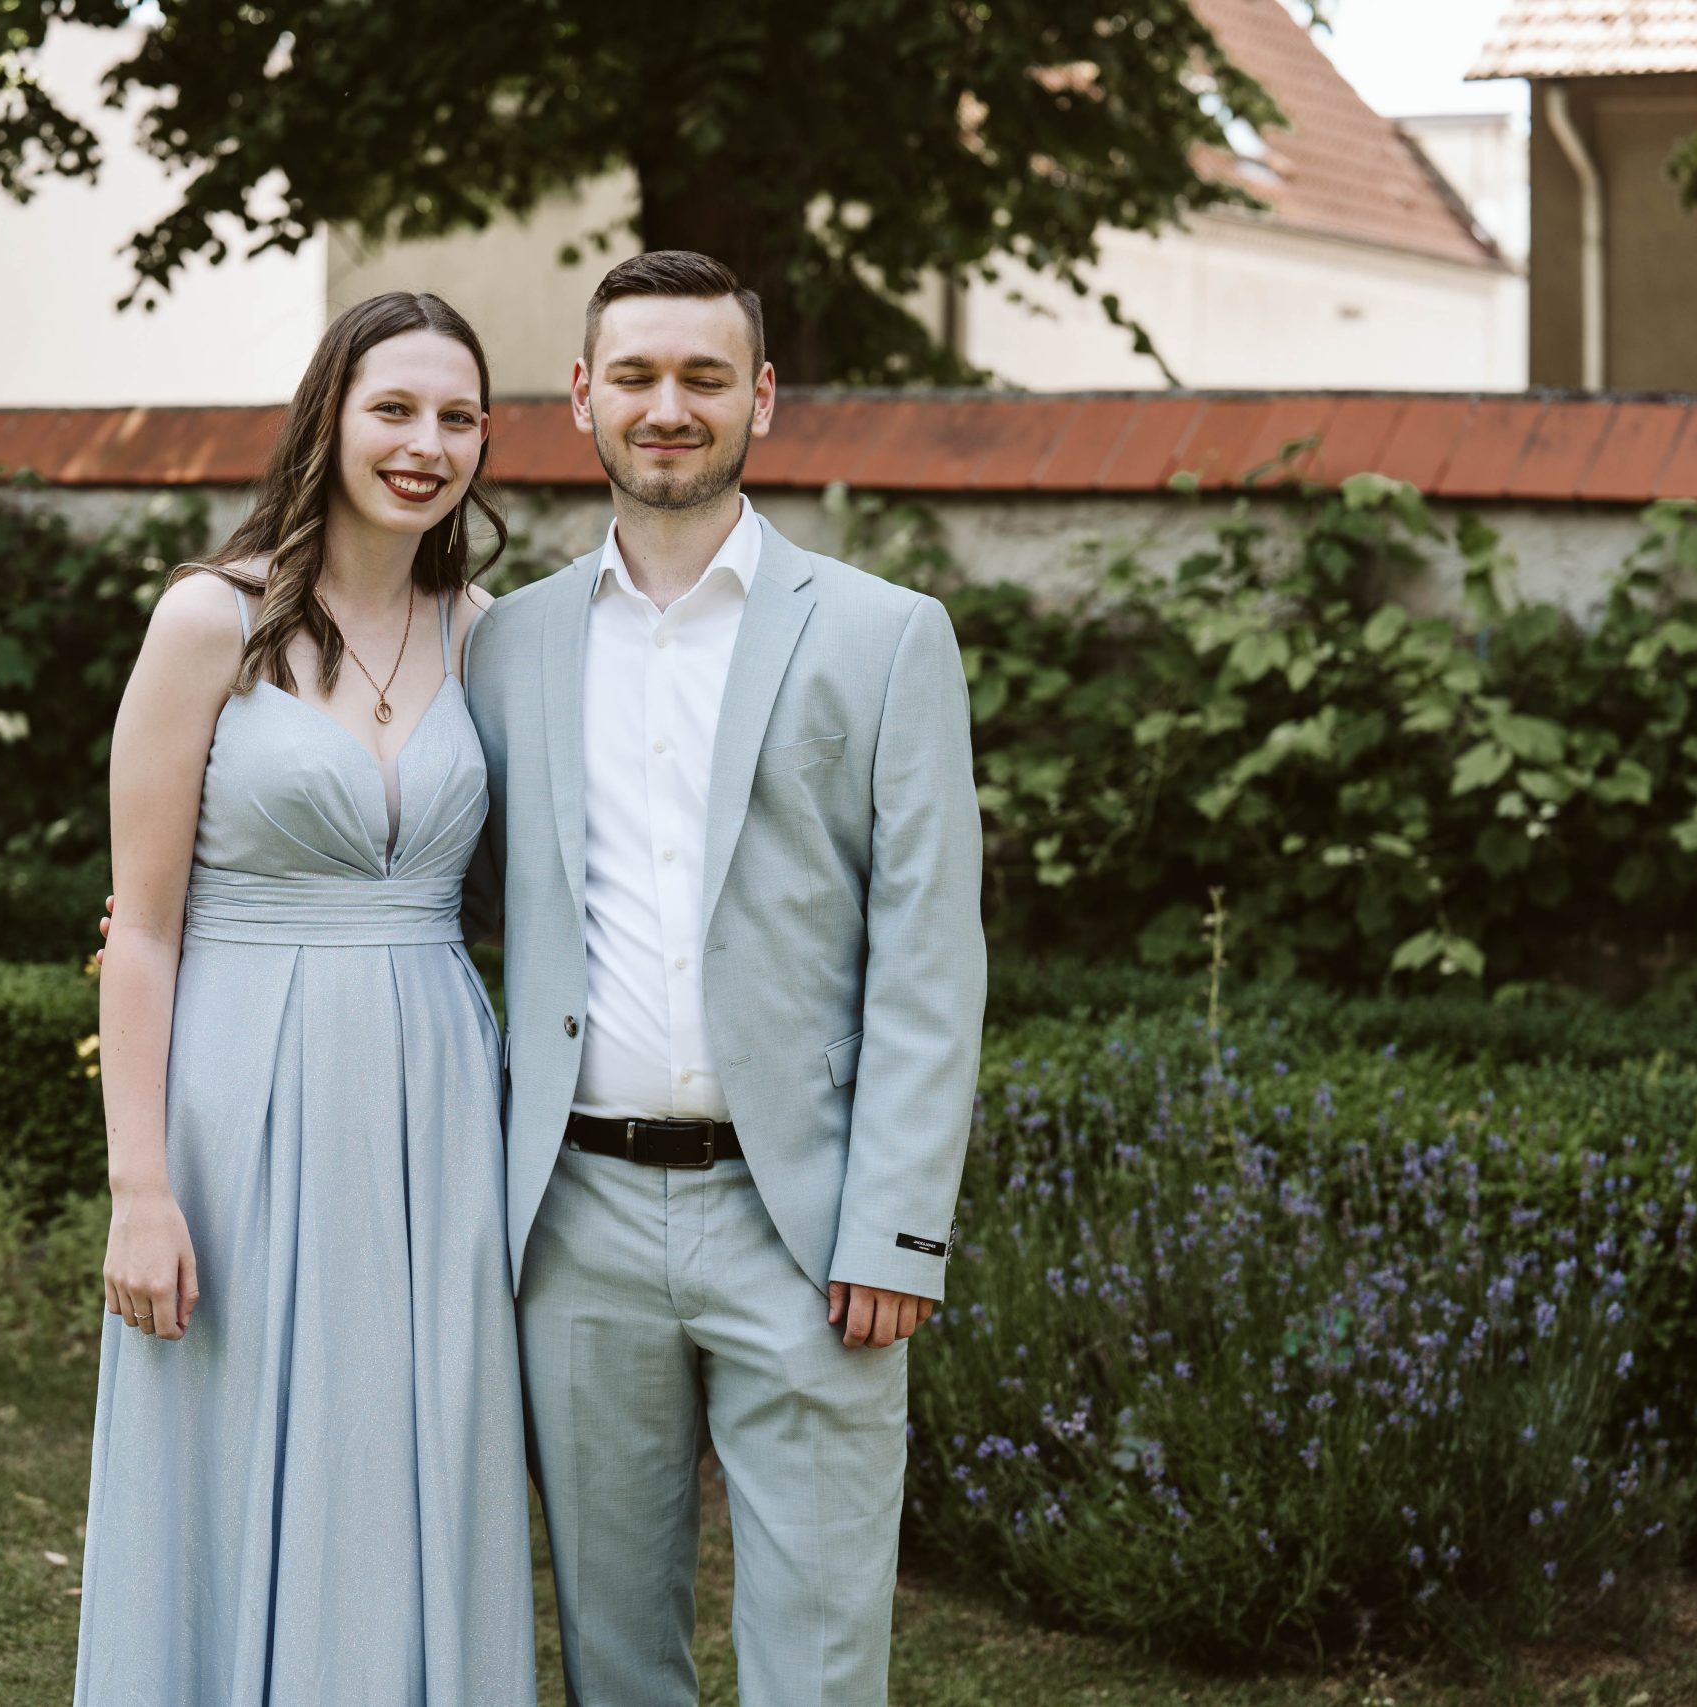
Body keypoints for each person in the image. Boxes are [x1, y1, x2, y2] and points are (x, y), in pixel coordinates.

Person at [461, 250, 986, 1707]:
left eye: (704, 376)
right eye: (635, 375)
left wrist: (898, 1230)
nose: (668, 406)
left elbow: (931, 955)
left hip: (803, 1223)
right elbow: (423, 870)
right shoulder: (507, 643)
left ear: (761, 397)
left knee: (819, 1664)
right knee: (615, 1660)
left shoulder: (885, 634)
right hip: (574, 1220)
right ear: (582, 396)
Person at [72, 289, 532, 1706]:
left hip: (437, 1100)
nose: (426, 444)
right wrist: (139, 1189)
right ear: (328, 416)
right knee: (230, 1444)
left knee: (414, 1442)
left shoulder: (491, 636)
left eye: (458, 416)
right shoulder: (209, 619)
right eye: (394, 408)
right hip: (242, 1098)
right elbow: (141, 931)